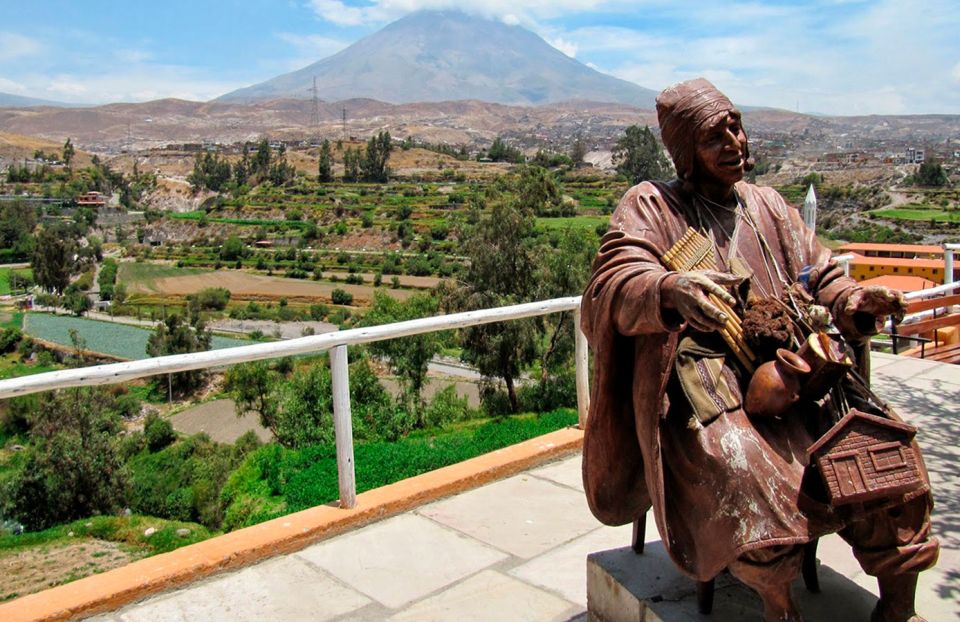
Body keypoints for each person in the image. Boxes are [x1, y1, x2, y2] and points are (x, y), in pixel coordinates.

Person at [580, 78, 938, 622]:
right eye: (714, 136)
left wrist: (855, 299)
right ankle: (777, 603)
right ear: (685, 151)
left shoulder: (767, 205)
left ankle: (898, 605)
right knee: (745, 471)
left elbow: (820, 275)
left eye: (737, 127)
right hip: (707, 393)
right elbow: (611, 285)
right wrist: (667, 290)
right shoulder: (652, 205)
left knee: (883, 446)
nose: (735, 144)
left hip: (798, 380)